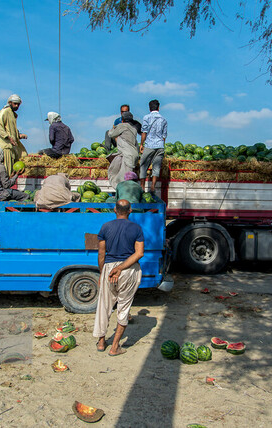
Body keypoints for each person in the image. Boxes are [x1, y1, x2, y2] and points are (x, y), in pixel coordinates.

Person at [94, 199, 144, 356]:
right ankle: (115, 347)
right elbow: (139, 253)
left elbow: (101, 253)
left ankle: (101, 342)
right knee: (124, 307)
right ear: (130, 211)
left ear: (115, 210)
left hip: (109, 269)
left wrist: (103, 273)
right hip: (128, 270)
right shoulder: (136, 228)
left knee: (104, 306)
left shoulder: (105, 227)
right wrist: (121, 268)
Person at [0, 94, 28, 175]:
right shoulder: (5, 111)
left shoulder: (12, 114)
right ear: (10, 103)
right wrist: (8, 137)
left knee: (11, 171)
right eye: (15, 104)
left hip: (11, 146)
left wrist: (18, 135)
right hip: (5, 146)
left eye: (18, 104)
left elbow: (11, 130)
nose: (16, 106)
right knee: (6, 171)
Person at [139, 99, 167, 192]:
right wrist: (161, 144)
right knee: (156, 167)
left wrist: (141, 144)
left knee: (143, 165)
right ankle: (153, 186)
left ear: (149, 108)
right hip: (160, 146)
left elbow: (144, 132)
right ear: (158, 108)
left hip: (149, 145)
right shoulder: (163, 120)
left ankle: (142, 187)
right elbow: (164, 136)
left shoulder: (146, 117)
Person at [107, 111, 140, 188]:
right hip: (133, 155)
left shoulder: (122, 126)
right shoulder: (133, 128)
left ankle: (123, 195)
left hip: (127, 155)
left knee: (124, 180)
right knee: (126, 176)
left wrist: (113, 128)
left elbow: (111, 134)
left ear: (122, 120)